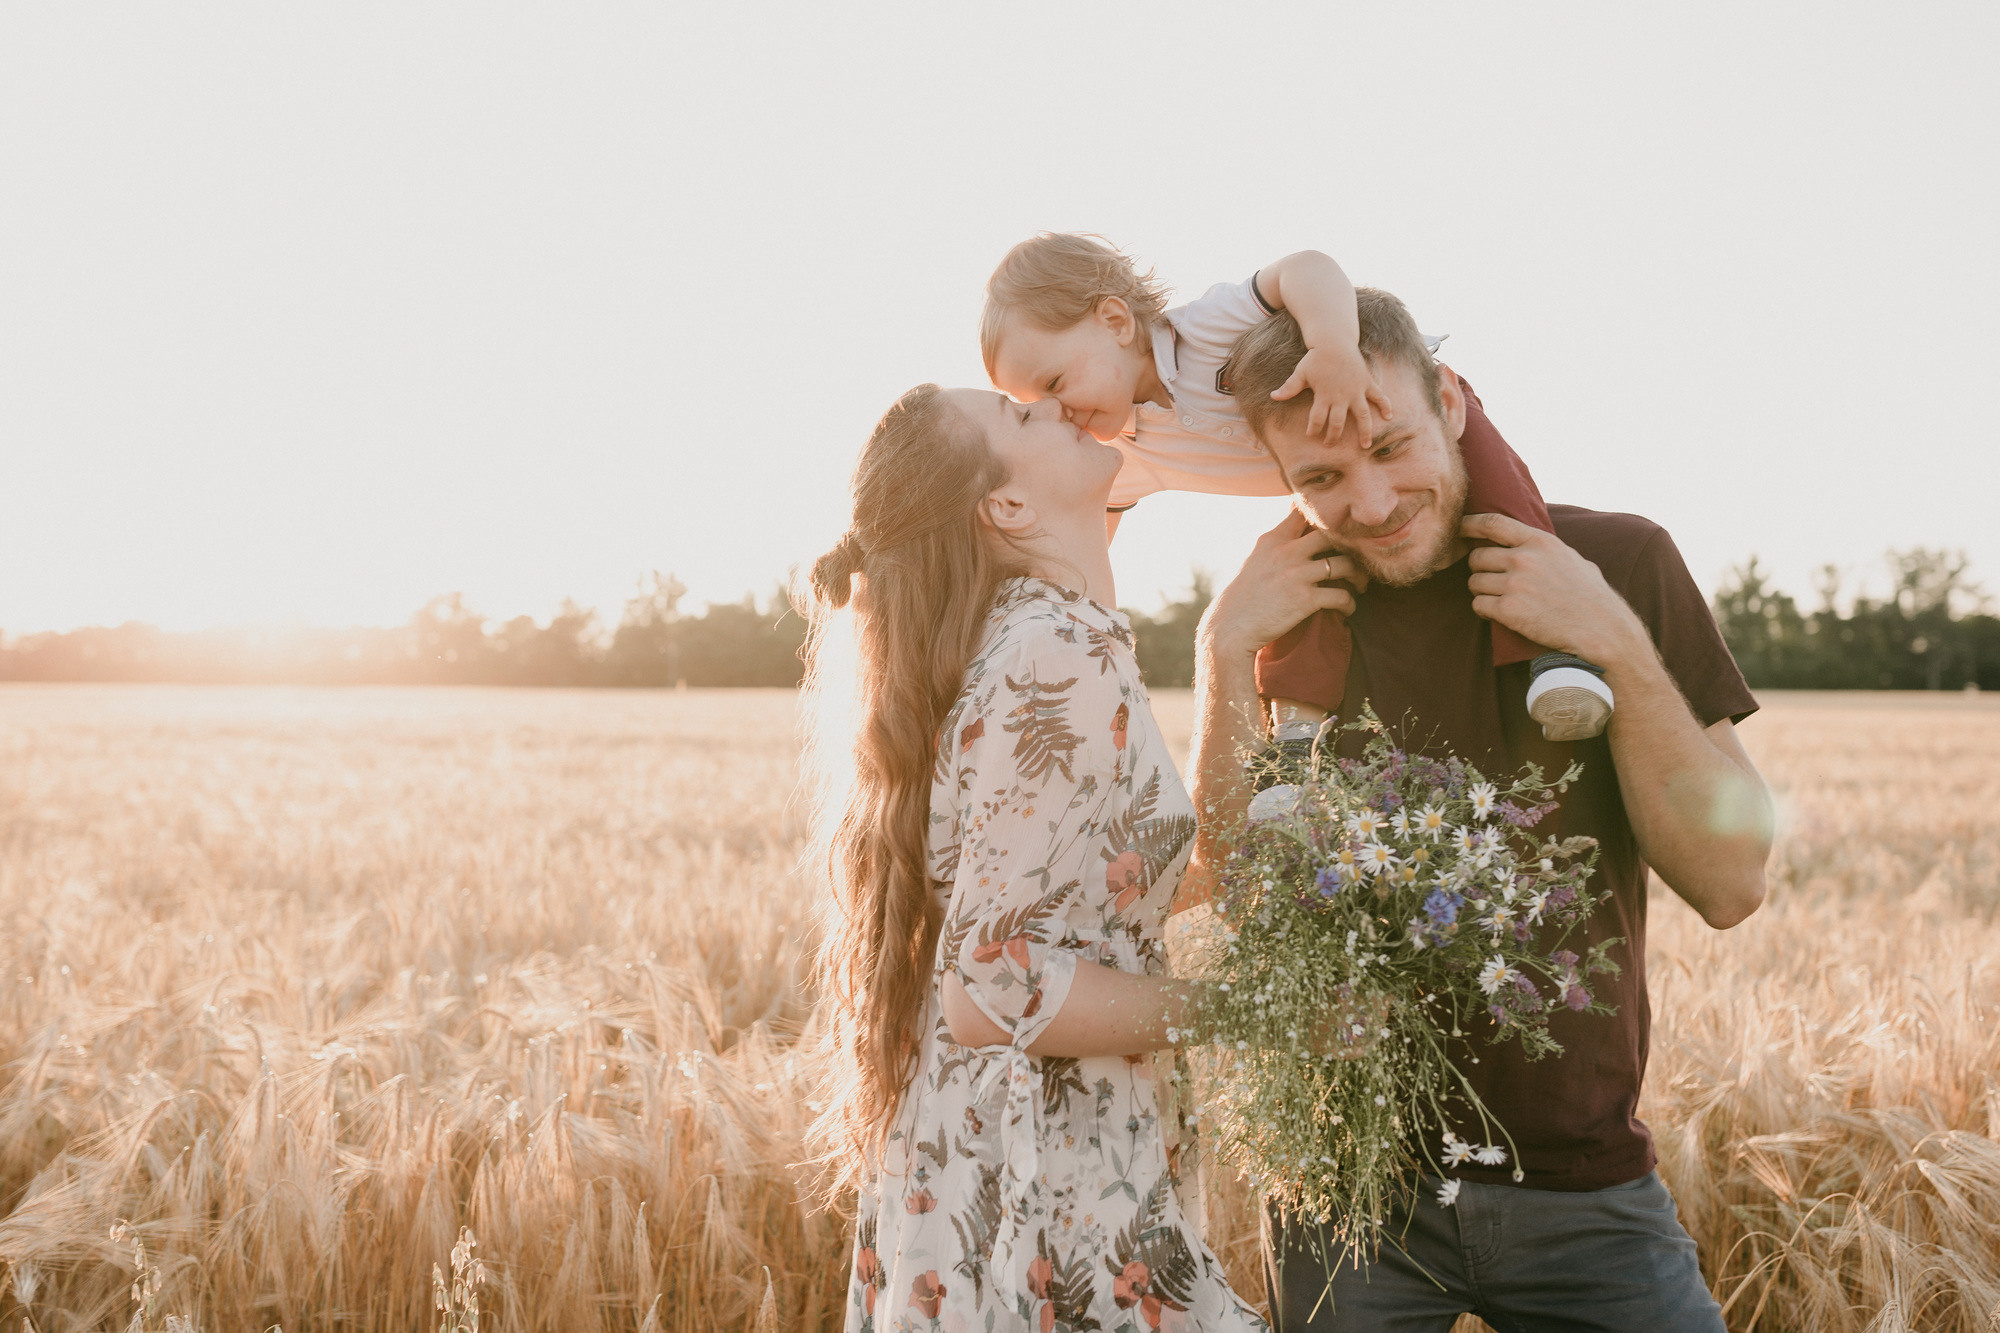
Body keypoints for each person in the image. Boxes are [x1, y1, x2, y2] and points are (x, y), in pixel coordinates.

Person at [1187, 291, 1776, 1332]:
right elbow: (1241, 901)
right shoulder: (1290, 613)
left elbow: (1730, 883)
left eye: (1389, 444)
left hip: (1584, 1189)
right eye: (1319, 477)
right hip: (1350, 1192)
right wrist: (1221, 655)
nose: (1367, 503)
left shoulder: (1618, 561)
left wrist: (1609, 639)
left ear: (1451, 401)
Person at [802, 385, 1287, 1332]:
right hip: (1043, 1180)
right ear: (1008, 508)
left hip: (1013, 1157)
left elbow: (1114, 900)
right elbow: (987, 985)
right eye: (1022, 418)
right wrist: (1257, 1010)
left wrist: (1227, 646)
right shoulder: (1050, 650)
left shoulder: (1042, 636)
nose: (1055, 404)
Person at [979, 233, 1615, 744]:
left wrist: (1334, 344)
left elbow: (1307, 267)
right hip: (1323, 484)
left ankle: (1557, 655)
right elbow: (1088, 554)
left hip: (1389, 404)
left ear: (1116, 320)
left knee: (1506, 512)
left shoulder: (1203, 330)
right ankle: (1296, 735)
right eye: (1032, 404)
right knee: (1299, 571)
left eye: (1056, 383)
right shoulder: (1122, 454)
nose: (1055, 413)